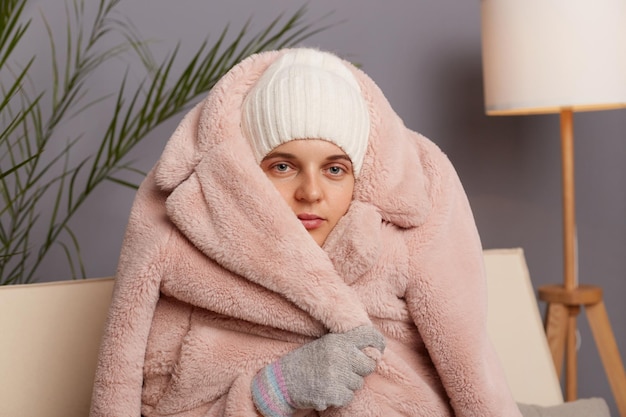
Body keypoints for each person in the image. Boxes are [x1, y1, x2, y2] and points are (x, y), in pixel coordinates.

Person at [89, 48, 608, 417]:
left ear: (359, 177)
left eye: (335, 169)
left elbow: (472, 374)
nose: (312, 193)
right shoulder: (191, 252)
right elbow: (145, 396)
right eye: (283, 167)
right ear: (247, 173)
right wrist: (272, 392)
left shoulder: (403, 243)